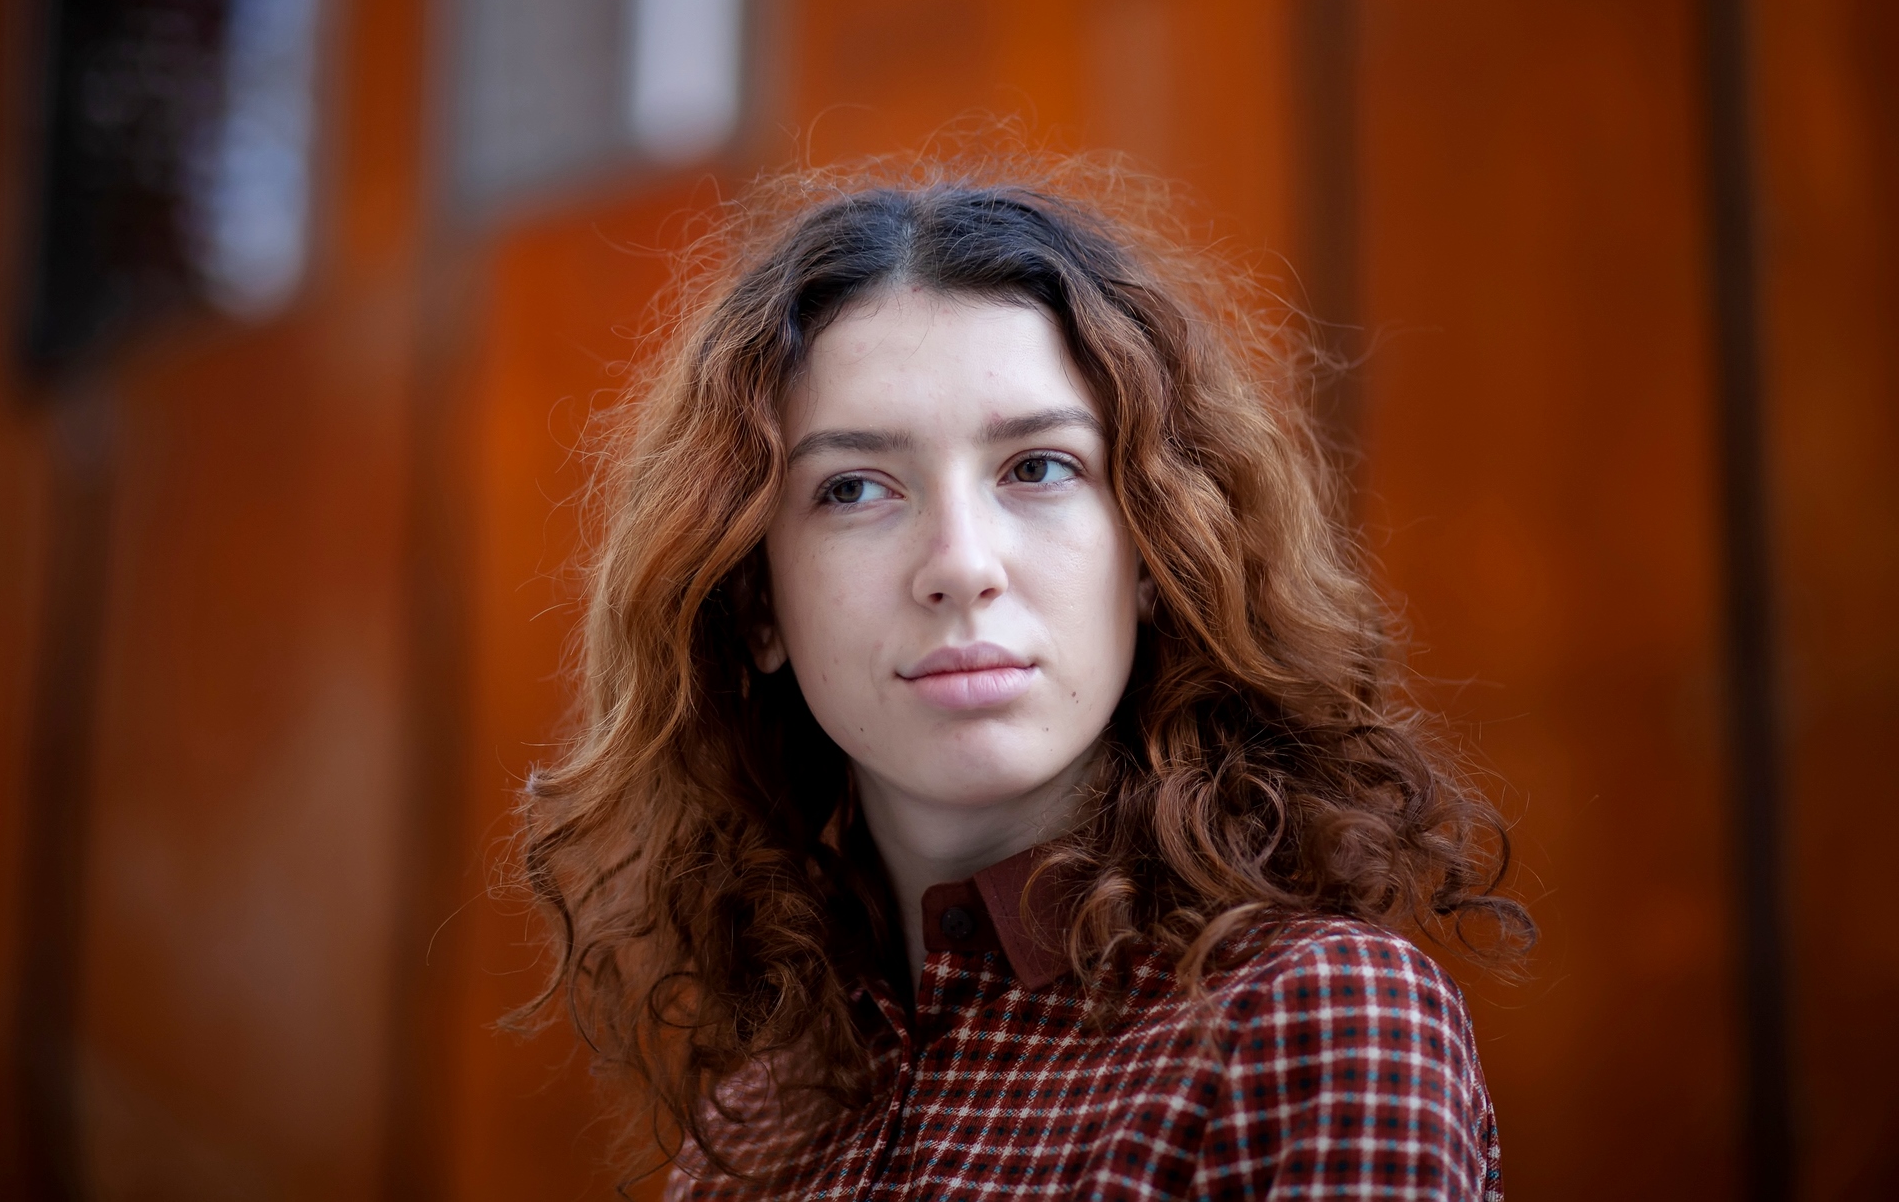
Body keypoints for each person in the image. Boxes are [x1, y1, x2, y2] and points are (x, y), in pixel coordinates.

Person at [516, 152, 1533, 1200]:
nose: (960, 564)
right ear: (756, 604)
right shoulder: (749, 1133)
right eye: (855, 487)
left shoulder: (1311, 1021)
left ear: (1153, 553)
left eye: (1037, 467)